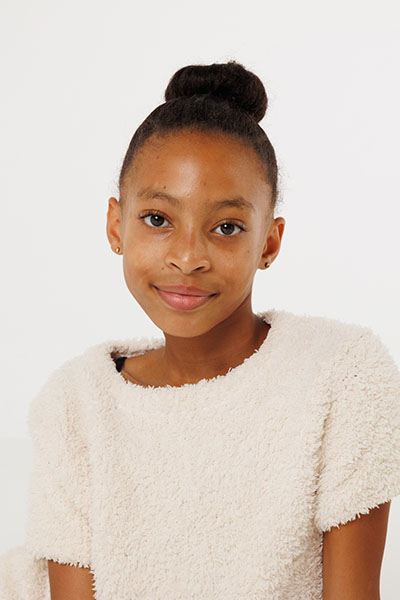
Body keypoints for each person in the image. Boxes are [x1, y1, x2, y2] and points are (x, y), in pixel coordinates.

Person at [0, 60, 399, 600]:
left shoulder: (342, 374)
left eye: (227, 227)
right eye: (158, 220)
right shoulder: (76, 403)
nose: (188, 257)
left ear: (269, 242)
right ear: (116, 225)